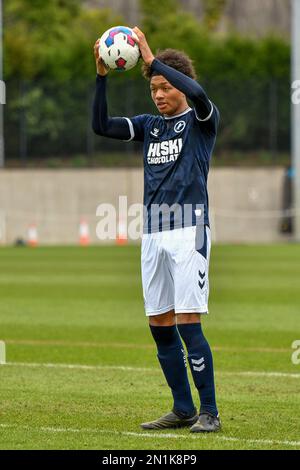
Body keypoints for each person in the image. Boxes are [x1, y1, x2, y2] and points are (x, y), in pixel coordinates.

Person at [92, 26, 221, 433]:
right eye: (153, 89)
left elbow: (198, 95)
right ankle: (182, 409)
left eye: (165, 87)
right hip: (153, 232)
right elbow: (101, 126)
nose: (160, 95)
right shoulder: (149, 125)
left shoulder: (202, 120)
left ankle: (210, 412)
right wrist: (100, 77)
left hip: (189, 229)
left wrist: (151, 61)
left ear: (181, 85)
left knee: (188, 324)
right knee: (159, 326)